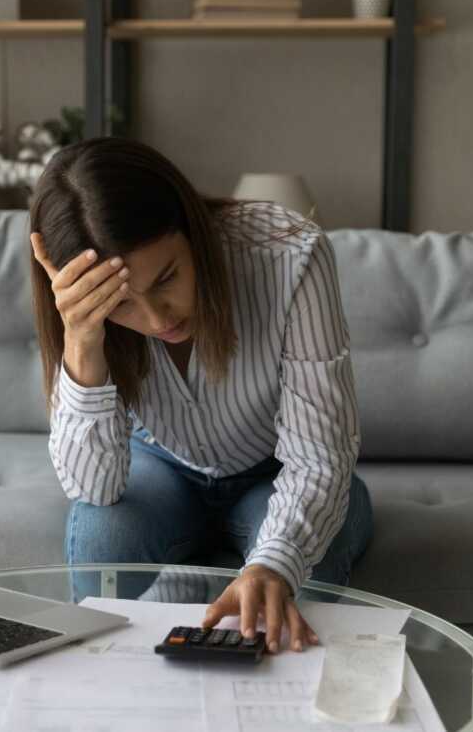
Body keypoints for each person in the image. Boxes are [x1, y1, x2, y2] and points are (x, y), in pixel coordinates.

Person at [28, 136, 373, 656]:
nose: (158, 318)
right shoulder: (86, 319)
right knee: (100, 534)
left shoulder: (291, 254)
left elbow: (318, 459)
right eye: (121, 305)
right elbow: (92, 487)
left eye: (167, 277)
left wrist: (272, 562)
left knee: (300, 568)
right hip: (162, 467)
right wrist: (82, 338)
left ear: (191, 226)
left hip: (276, 472)